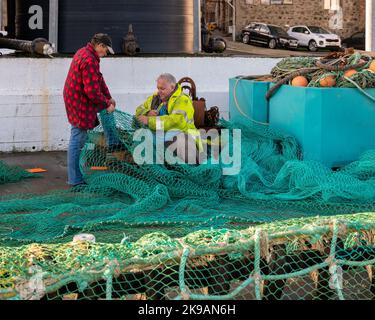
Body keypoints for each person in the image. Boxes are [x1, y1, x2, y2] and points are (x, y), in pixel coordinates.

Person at [63, 33, 116, 187]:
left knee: (80, 136)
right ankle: (75, 181)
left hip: (74, 98)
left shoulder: (84, 52)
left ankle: (79, 173)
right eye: (106, 50)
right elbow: (92, 92)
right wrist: (107, 104)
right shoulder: (89, 60)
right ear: (100, 45)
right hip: (79, 101)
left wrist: (108, 97)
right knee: (78, 137)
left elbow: (98, 79)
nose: (105, 53)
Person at [136, 73, 202, 164]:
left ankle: (194, 168)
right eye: (158, 88)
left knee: (180, 140)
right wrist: (147, 112)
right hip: (162, 138)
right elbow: (139, 110)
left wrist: (149, 121)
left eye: (162, 88)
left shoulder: (182, 100)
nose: (159, 91)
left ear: (172, 87)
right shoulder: (154, 98)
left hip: (184, 137)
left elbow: (175, 122)